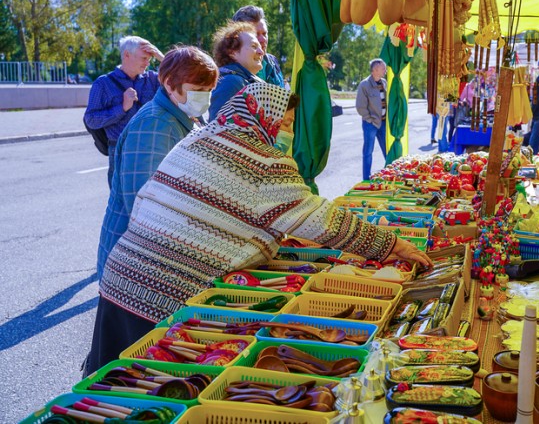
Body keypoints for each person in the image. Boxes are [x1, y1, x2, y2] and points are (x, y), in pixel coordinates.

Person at [84, 82, 431, 374]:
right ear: (263, 118)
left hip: (120, 279)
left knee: (109, 384)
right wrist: (390, 246)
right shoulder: (263, 160)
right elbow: (321, 220)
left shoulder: (199, 138)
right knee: (151, 389)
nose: (288, 133)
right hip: (167, 296)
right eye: (286, 122)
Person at [94, 46, 219, 280]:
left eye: (209, 90)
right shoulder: (154, 124)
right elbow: (144, 205)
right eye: (198, 89)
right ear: (170, 83)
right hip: (133, 266)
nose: (205, 97)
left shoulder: (182, 116)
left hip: (152, 260)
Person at [84, 36, 164, 186]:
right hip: (121, 150)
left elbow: (180, 80)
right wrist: (122, 108)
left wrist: (162, 58)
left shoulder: (152, 79)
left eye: (150, 59)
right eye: (144, 58)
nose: (148, 63)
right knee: (120, 203)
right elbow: (91, 119)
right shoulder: (103, 83)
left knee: (151, 201)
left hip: (150, 148)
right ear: (127, 55)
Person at [208, 21, 264, 119]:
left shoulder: (242, 81)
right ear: (232, 52)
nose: (261, 52)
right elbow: (218, 128)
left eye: (260, 47)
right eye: (254, 46)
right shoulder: (230, 83)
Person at [232, 5, 285, 88]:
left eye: (264, 34)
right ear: (237, 39)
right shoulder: (229, 74)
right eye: (255, 34)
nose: (263, 39)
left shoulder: (272, 63)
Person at [356, 59, 388, 181]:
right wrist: (370, 120)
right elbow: (360, 107)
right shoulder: (364, 85)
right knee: (368, 152)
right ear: (375, 70)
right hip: (371, 124)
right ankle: (366, 179)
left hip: (383, 123)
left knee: (387, 151)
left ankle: (390, 174)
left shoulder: (384, 82)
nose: (385, 70)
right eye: (383, 68)